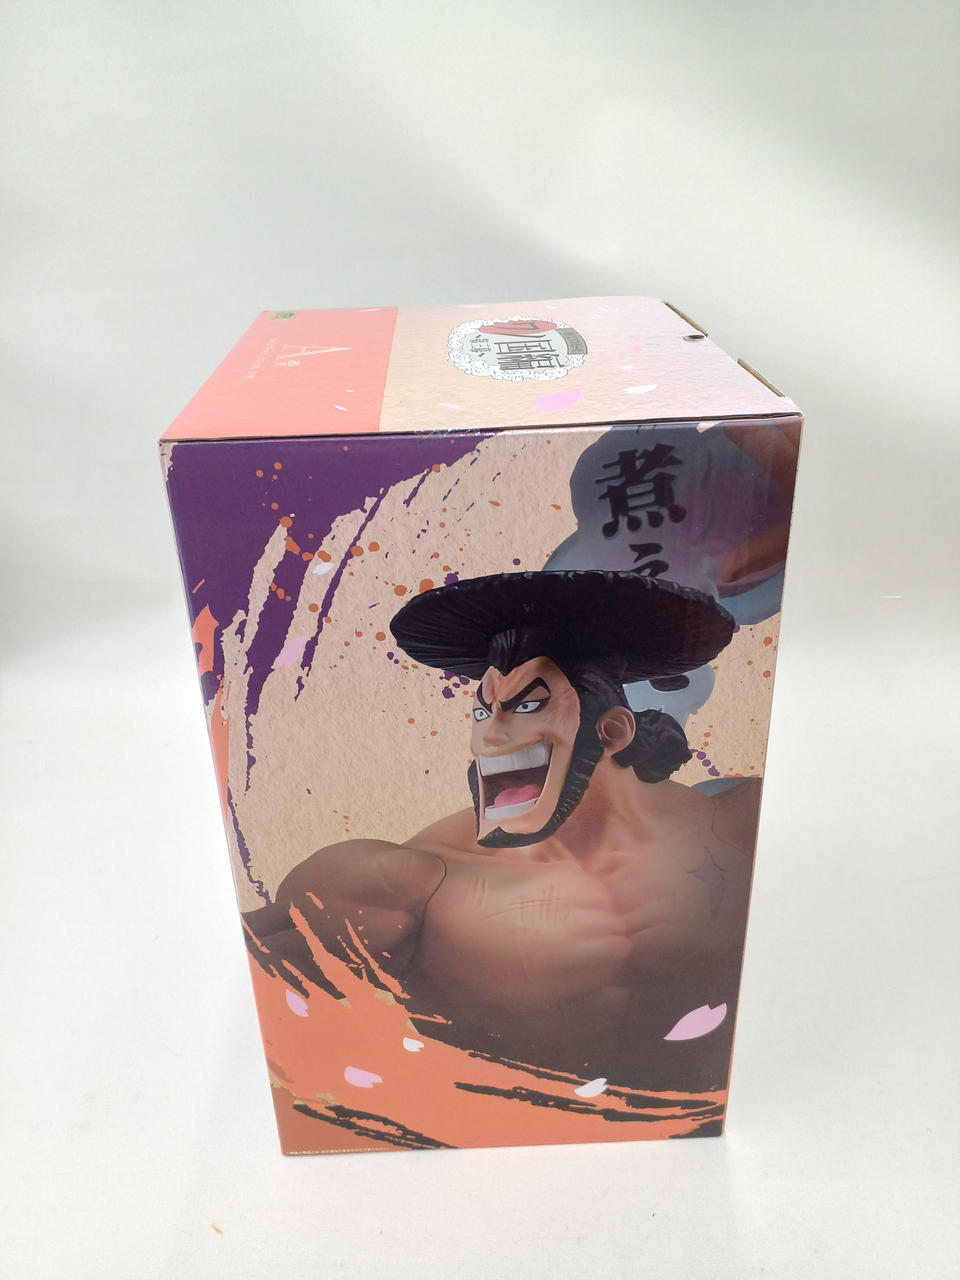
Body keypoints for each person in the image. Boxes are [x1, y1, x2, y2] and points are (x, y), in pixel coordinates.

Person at [243, 571, 760, 1091]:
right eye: (482, 709)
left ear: (611, 732)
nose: (488, 736)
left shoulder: (741, 826)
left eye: (528, 705)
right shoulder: (410, 884)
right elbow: (252, 990)